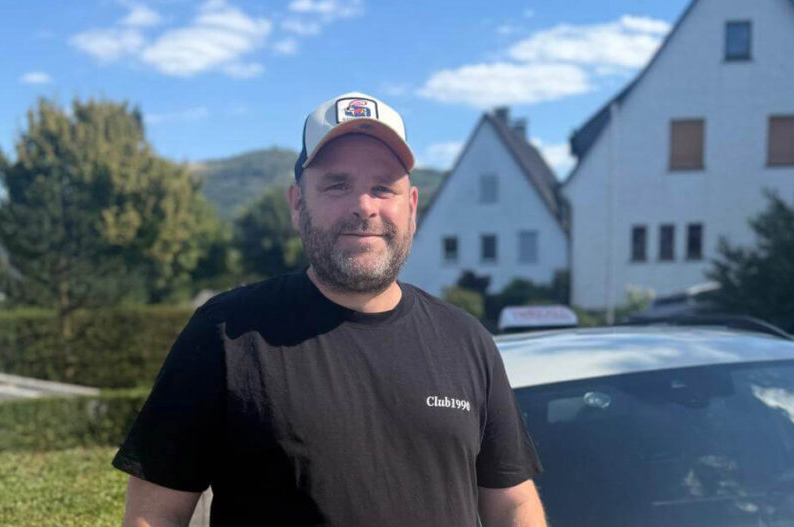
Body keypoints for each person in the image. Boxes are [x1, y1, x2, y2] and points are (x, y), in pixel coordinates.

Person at [112, 91, 547, 527]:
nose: (364, 206)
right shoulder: (227, 333)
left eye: (383, 188)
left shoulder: (466, 340)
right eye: (338, 185)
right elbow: (154, 516)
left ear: (412, 207)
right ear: (297, 204)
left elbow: (512, 506)